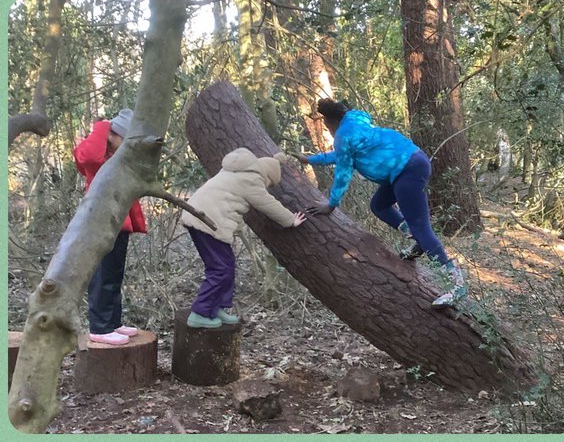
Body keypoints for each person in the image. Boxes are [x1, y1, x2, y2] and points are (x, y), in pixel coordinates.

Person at [301, 99, 466, 307]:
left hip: (405, 169)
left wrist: (331, 204)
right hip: (410, 162)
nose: (329, 131)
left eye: (327, 126)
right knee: (379, 205)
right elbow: (341, 155)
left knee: (422, 227)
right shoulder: (356, 122)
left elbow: (343, 172)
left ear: (332, 122)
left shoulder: (344, 134)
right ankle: (418, 242)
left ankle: (456, 281)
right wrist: (311, 160)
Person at [179, 149, 307, 328]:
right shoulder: (252, 180)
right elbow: (268, 204)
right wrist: (290, 220)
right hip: (207, 221)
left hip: (199, 216)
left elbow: (228, 201)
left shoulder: (234, 171)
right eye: (270, 183)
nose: (267, 186)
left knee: (227, 265)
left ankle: (215, 308)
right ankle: (200, 313)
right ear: (267, 176)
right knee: (221, 269)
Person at [73, 108, 146, 345]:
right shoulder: (97, 160)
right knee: (102, 275)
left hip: (118, 224)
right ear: (111, 136)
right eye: (122, 139)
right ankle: (100, 327)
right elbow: (88, 157)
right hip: (100, 224)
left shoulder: (118, 159)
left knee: (114, 275)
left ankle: (113, 322)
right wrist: (103, 126)